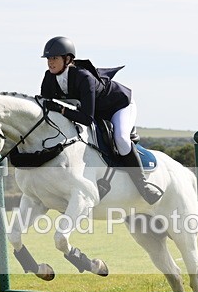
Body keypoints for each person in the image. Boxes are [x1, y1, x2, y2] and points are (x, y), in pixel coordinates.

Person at [39, 36, 162, 205]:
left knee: (121, 139)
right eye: (48, 59)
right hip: (96, 111)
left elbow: (87, 118)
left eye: (54, 58)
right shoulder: (49, 78)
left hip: (118, 106)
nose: (50, 63)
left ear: (67, 59)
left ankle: (143, 186)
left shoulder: (84, 77)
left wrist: (61, 110)